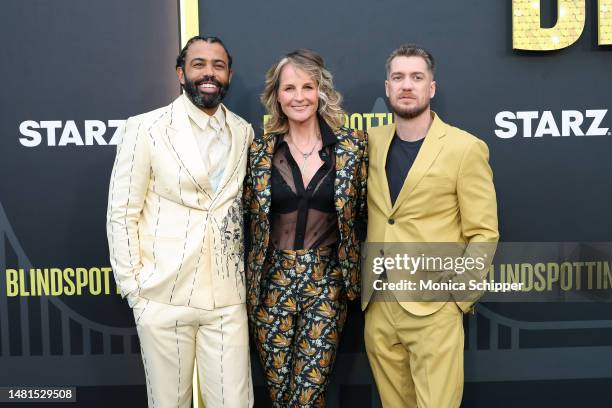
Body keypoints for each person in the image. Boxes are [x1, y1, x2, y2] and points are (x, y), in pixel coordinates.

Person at [106, 35, 254, 407]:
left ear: (229, 75)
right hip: (162, 294)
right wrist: (136, 288)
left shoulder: (244, 131)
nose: (209, 73)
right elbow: (122, 212)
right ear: (181, 72)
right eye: (199, 64)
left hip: (227, 298)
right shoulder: (146, 128)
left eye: (218, 66)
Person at [363, 44, 499, 408]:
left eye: (416, 77)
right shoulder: (367, 144)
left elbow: (483, 232)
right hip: (379, 304)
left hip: (435, 305)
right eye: (399, 77)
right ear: (387, 87)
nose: (407, 85)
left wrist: (458, 299)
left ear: (432, 88)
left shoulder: (465, 148)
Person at [244, 49, 367, 407]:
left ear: (320, 92)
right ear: (276, 96)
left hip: (327, 282)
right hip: (271, 284)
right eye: (289, 88)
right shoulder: (259, 152)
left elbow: (366, 211)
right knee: (281, 394)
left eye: (307, 87)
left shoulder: (352, 148)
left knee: (309, 394)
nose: (298, 96)